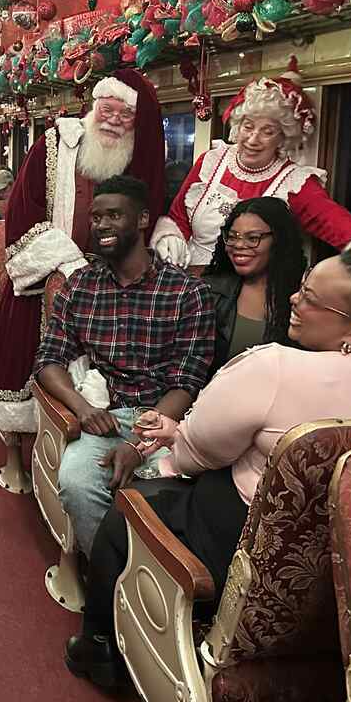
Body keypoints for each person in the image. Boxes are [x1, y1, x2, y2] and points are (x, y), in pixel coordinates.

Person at [65, 231, 351, 689]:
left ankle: (100, 647)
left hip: (244, 542)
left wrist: (173, 439)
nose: (295, 300)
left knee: (128, 512)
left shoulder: (274, 368)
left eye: (312, 299)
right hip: (350, 555)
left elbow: (197, 452)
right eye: (302, 286)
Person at [0, 72, 168, 436]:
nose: (113, 120)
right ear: (94, 106)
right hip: (48, 281)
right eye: (107, 109)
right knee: (27, 371)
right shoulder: (55, 144)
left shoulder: (139, 156)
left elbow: (153, 208)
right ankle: (24, 451)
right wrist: (70, 265)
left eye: (125, 115)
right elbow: (22, 213)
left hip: (118, 291)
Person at [34, 176, 215, 555]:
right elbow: (49, 359)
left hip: (167, 420)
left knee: (178, 498)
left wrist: (140, 443)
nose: (101, 225)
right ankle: (108, 583)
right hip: (105, 414)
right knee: (77, 483)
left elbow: (187, 380)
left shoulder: (186, 291)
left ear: (143, 219)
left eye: (114, 215)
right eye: (96, 217)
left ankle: (153, 594)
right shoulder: (80, 285)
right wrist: (84, 409)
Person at [152, 58, 351, 270]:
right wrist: (170, 239)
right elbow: (178, 216)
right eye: (248, 127)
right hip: (191, 279)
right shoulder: (211, 161)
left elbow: (334, 222)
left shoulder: (294, 182)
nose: (253, 139)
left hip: (246, 294)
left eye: (268, 131)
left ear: (283, 137)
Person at [203, 197, 305, 373]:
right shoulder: (209, 292)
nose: (239, 245)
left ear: (279, 241)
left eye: (253, 238)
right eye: (233, 237)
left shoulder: (302, 297)